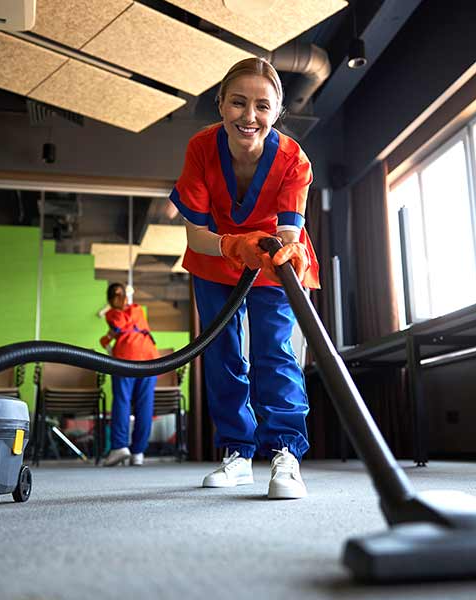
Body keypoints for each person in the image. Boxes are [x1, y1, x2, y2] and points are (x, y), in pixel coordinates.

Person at [169, 57, 320, 499]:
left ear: (277, 112)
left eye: (262, 106)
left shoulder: (293, 159)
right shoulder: (200, 148)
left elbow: (289, 229)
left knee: (274, 351)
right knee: (222, 353)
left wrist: (280, 249)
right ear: (220, 104)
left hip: (275, 260)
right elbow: (197, 236)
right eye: (238, 102)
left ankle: (285, 453)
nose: (249, 116)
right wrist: (233, 246)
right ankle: (237, 452)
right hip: (217, 257)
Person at [100, 283, 159, 467]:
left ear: (110, 300)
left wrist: (106, 339)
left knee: (122, 401)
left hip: (125, 358)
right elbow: (126, 324)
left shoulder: (111, 314)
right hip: (150, 357)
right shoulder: (137, 310)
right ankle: (138, 452)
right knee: (144, 403)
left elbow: (118, 326)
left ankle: (119, 447)